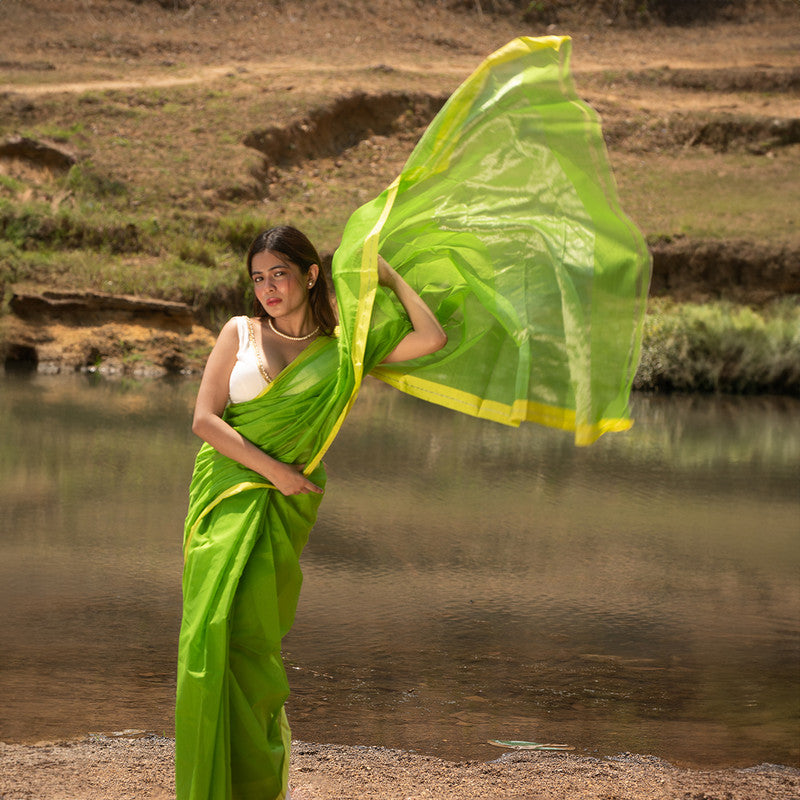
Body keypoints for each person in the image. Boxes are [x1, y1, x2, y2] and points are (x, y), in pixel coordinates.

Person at [176, 225, 446, 800]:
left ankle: (251, 783)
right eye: (257, 277)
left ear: (311, 273)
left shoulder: (343, 348)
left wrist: (387, 275)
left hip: (282, 508)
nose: (268, 288)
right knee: (209, 639)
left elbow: (431, 339)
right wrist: (273, 471)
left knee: (252, 640)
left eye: (279, 273)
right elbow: (204, 419)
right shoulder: (240, 332)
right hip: (225, 496)